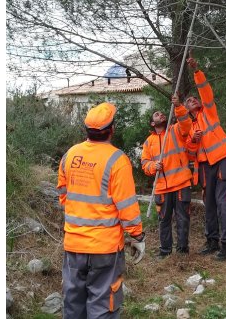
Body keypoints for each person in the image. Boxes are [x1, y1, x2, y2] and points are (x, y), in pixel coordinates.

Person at [57, 102, 146, 318]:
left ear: (86, 130)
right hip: (105, 249)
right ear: (112, 129)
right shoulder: (117, 160)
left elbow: (62, 195)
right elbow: (127, 206)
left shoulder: (70, 155)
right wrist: (137, 236)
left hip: (74, 245)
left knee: (73, 302)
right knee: (103, 304)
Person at [184, 55, 226, 261]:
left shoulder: (209, 112)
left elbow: (205, 91)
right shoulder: (191, 128)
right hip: (206, 168)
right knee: (210, 205)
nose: (193, 100)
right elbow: (189, 153)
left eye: (193, 99)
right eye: (189, 101)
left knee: (223, 203)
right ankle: (212, 240)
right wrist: (195, 141)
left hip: (221, 161)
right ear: (187, 110)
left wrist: (196, 71)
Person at [140, 93, 197, 257]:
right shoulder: (148, 142)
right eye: (156, 114)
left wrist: (179, 106)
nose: (161, 114)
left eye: (162, 113)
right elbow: (144, 163)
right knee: (164, 220)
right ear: (153, 123)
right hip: (162, 188)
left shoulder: (176, 130)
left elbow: (186, 124)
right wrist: (153, 166)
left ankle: (182, 251)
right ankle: (165, 251)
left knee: (182, 219)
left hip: (181, 183)